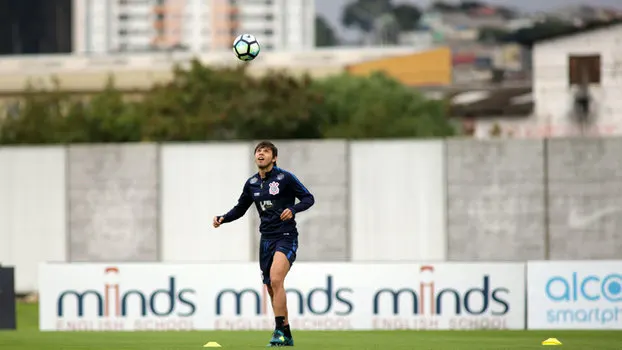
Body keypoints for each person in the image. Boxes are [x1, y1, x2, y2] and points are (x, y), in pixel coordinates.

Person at [213, 140, 315, 347]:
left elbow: (308, 198)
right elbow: (240, 208)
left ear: (274, 157)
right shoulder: (251, 183)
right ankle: (286, 333)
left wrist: (294, 209)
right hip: (266, 239)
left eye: (266, 151)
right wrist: (223, 218)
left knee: (276, 280)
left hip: (286, 236)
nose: (261, 154)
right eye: (258, 151)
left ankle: (278, 331)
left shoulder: (285, 178)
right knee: (269, 286)